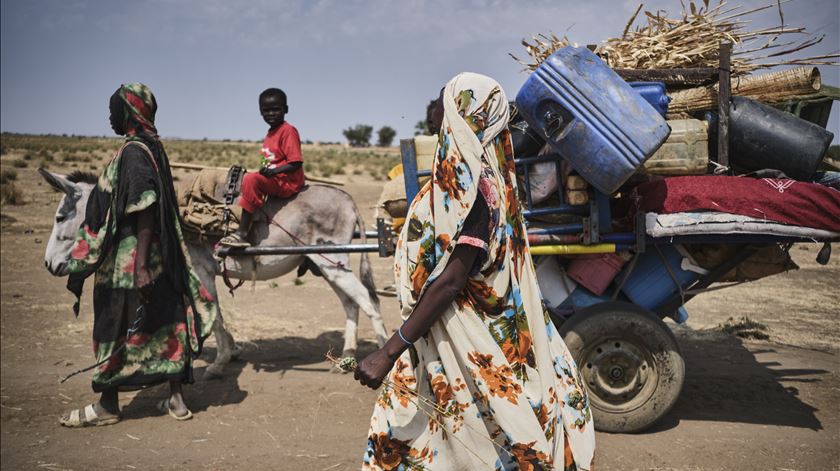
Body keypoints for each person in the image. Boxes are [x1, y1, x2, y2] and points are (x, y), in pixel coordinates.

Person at [355, 73, 596, 470]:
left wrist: (388, 350)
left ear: (465, 112)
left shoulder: (473, 193)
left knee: (447, 440)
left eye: (442, 98)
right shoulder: (471, 180)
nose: (434, 107)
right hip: (441, 338)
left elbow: (450, 281)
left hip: (459, 338)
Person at [59, 83, 218, 427]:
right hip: (157, 258)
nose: (110, 117)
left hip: (130, 263)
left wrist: (141, 265)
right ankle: (175, 399)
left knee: (113, 324)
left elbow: (145, 206)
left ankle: (107, 406)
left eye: (114, 110)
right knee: (165, 319)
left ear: (129, 113)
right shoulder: (151, 147)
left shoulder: (133, 151)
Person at [220, 88, 305, 247]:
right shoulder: (270, 132)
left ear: (285, 110)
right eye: (267, 110)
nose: (271, 113)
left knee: (250, 180)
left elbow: (296, 162)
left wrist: (273, 172)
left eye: (276, 109)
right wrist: (266, 172)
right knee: (247, 178)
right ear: (260, 112)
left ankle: (243, 232)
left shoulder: (288, 131)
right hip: (276, 178)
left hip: (287, 182)